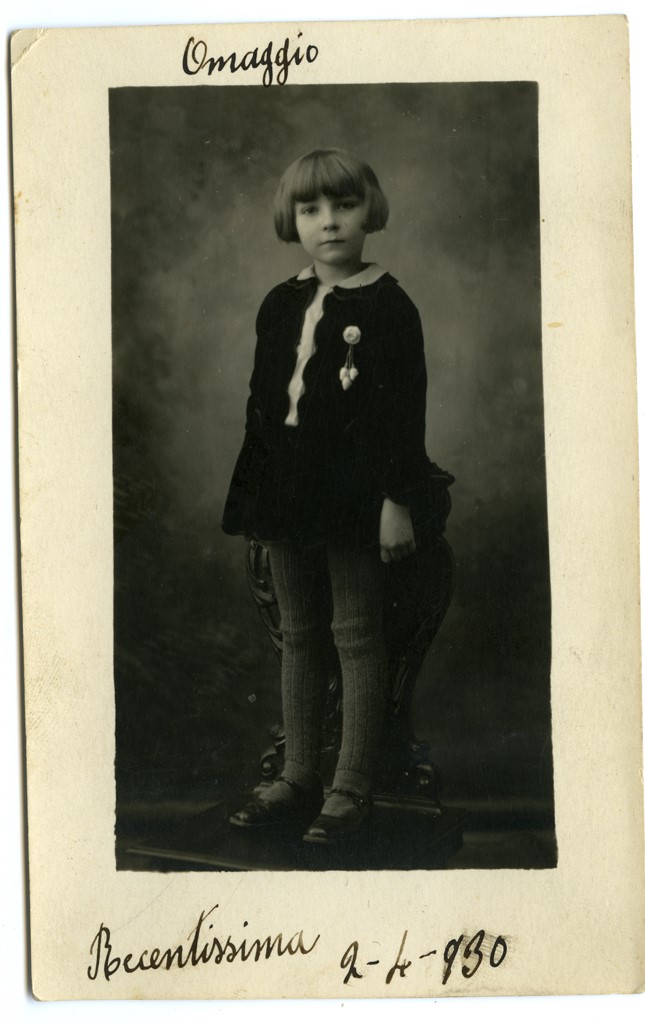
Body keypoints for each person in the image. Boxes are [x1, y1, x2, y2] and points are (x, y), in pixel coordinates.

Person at [222, 148, 435, 844]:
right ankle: (298, 777)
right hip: (284, 489)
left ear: (369, 210)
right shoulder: (280, 301)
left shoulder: (390, 306)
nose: (329, 221)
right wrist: (254, 494)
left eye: (344, 205)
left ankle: (350, 787)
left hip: (354, 493)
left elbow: (403, 414)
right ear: (293, 220)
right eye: (311, 209)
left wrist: (397, 500)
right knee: (298, 633)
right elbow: (261, 406)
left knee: (356, 634)